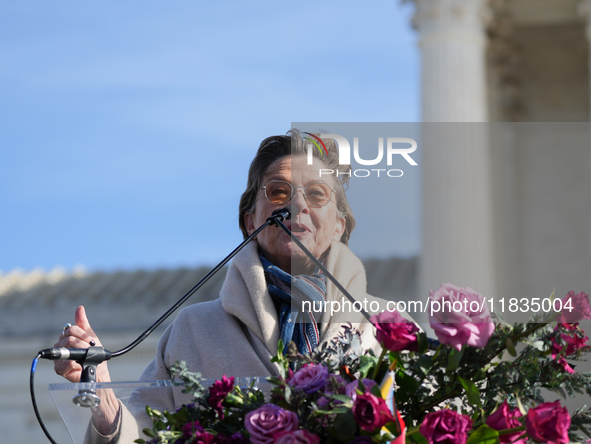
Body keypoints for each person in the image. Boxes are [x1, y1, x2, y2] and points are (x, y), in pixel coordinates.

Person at [53, 129, 398, 442]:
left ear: (338, 226)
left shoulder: (390, 329)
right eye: (279, 191)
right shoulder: (192, 331)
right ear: (250, 221)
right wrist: (102, 394)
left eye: (317, 194)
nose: (297, 205)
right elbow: (144, 434)